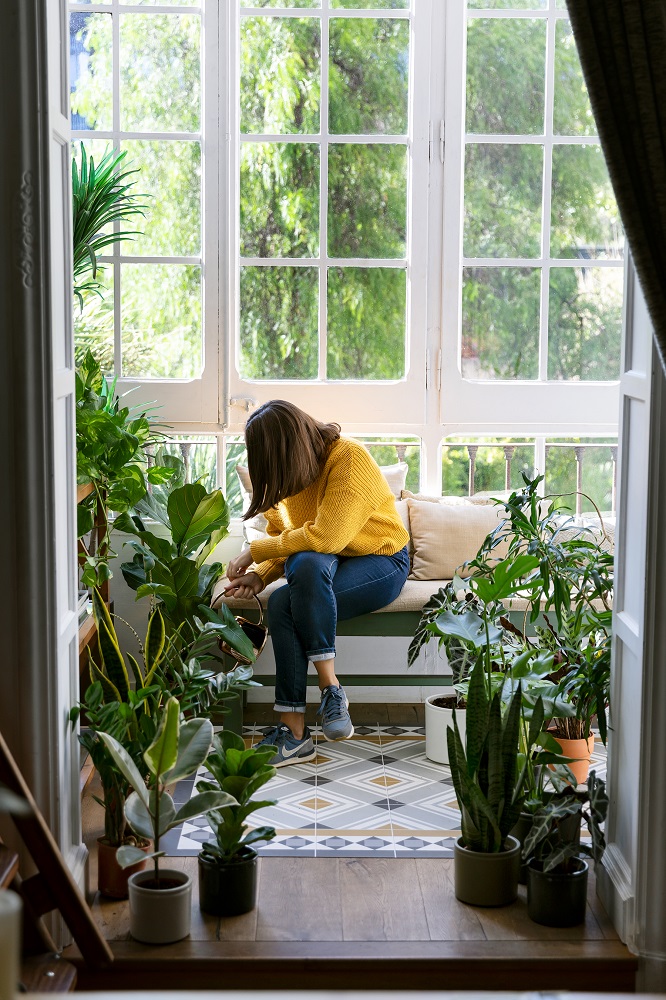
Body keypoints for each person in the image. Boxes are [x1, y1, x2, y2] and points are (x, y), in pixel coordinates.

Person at [224, 400, 410, 767]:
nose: (269, 473)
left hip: (382, 558)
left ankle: (322, 696)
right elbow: (289, 540)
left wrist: (252, 553)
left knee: (286, 603)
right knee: (297, 571)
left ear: (289, 450)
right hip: (327, 561)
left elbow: (326, 537)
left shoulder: (348, 458)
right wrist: (259, 576)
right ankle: (302, 723)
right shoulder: (285, 479)